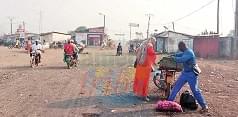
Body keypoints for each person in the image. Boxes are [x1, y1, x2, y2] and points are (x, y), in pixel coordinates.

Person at [168, 41, 208, 113]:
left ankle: (204, 107)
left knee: (195, 90)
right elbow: (180, 55)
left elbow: (181, 59)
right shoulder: (185, 51)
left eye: (179, 48)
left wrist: (173, 58)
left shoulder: (189, 52)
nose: (179, 49)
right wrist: (173, 55)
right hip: (185, 73)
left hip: (192, 74)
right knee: (176, 87)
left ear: (182, 46)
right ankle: (169, 104)